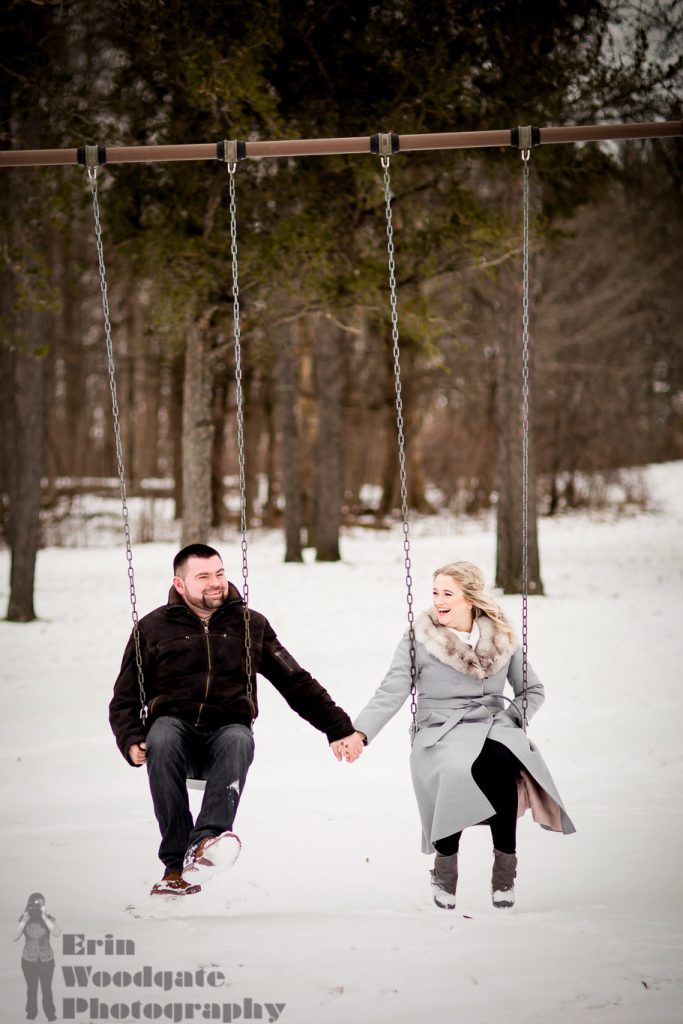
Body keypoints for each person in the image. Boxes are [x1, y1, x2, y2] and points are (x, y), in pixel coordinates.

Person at [110, 543, 361, 896]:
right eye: (203, 577)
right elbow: (124, 697)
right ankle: (175, 864)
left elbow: (294, 680)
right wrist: (130, 737)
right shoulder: (152, 628)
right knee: (162, 734)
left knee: (239, 737)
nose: (216, 583)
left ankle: (206, 843)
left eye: (220, 573)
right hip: (173, 734)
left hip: (226, 734)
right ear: (180, 584)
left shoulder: (250, 625)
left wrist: (338, 727)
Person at [344, 561, 574, 910]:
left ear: (470, 599)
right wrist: (360, 732)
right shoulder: (419, 637)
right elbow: (392, 689)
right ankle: (445, 869)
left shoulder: (501, 637)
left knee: (501, 760)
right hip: (439, 729)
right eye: (435, 592)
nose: (438, 601)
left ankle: (504, 873)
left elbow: (533, 690)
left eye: (447, 593)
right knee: (454, 770)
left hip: (492, 724)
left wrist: (511, 719)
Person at [14, 893, 60, 1022]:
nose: (39, 905)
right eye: (36, 903)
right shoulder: (24, 918)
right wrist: (23, 921)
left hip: (47, 961)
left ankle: (51, 1015)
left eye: (42, 903)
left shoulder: (48, 918)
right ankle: (31, 1015)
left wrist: (45, 917)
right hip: (28, 961)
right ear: (30, 904)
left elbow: (57, 933)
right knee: (31, 989)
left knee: (47, 989)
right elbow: (14, 937)